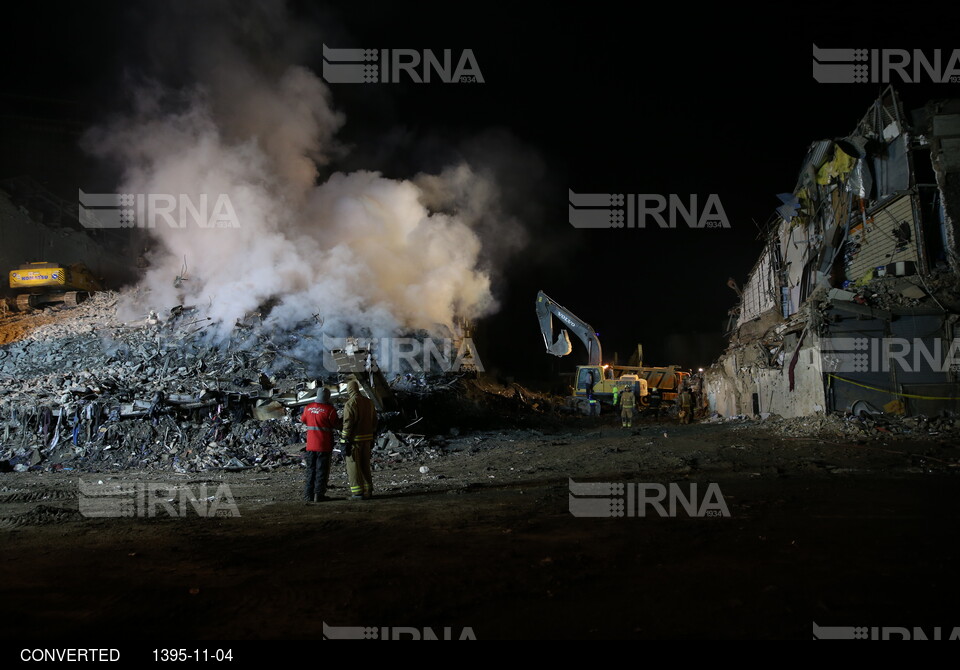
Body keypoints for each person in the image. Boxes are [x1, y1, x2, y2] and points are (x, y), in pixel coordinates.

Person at [340, 379, 377, 500]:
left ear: (349, 390)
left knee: (353, 466)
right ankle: (368, 490)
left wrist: (344, 439)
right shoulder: (369, 402)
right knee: (365, 464)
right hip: (368, 439)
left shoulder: (350, 403)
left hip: (355, 440)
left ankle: (357, 493)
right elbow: (374, 421)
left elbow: (348, 423)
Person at [301, 387, 339, 503]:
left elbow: (303, 420)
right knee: (321, 470)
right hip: (324, 445)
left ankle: (308, 495)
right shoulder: (330, 410)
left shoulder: (308, 408)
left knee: (310, 470)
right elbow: (336, 424)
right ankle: (319, 495)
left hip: (310, 445)